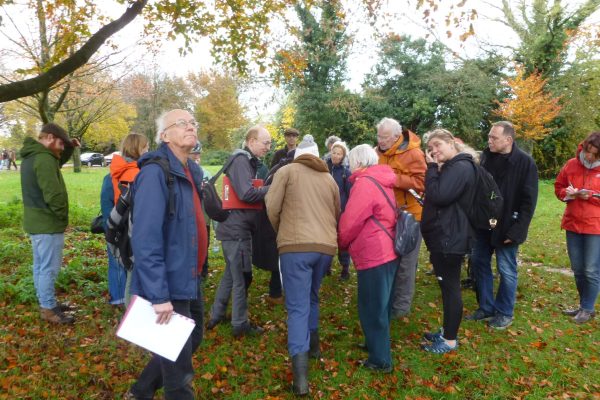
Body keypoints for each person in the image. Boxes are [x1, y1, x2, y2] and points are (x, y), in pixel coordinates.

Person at [125, 109, 207, 400]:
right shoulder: (155, 173)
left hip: (190, 277)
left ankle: (142, 390)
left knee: (193, 337)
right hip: (170, 281)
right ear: (164, 135)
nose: (190, 127)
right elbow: (146, 240)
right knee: (179, 369)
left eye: (192, 123)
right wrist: (159, 296)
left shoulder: (189, 171)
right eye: (181, 123)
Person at [265, 134, 340, 395]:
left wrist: (282, 231)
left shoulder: (286, 171)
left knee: (296, 307)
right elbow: (336, 212)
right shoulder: (329, 178)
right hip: (325, 248)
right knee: (312, 297)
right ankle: (315, 348)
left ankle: (300, 380)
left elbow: (271, 207)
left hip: (295, 247)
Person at [466, 121, 538, 329]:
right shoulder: (486, 158)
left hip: (508, 226)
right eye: (489, 137)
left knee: (506, 269)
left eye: (494, 138)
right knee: (479, 263)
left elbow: (529, 201)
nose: (489, 141)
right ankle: (486, 306)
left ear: (508, 140)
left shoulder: (525, 163)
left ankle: (505, 312)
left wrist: (517, 231)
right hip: (483, 224)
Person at [338, 144, 399, 373]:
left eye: (351, 162)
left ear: (359, 163)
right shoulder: (382, 180)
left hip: (374, 253)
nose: (349, 167)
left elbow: (350, 220)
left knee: (372, 307)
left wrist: (341, 242)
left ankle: (380, 360)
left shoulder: (364, 184)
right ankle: (374, 344)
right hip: (387, 250)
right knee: (381, 306)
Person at [207, 126, 272, 337]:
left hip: (233, 227)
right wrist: (272, 188)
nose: (268, 147)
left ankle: (216, 314)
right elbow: (246, 193)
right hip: (237, 230)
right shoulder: (242, 160)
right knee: (242, 276)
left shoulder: (243, 160)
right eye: (265, 143)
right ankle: (239, 323)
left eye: (270, 143)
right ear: (251, 141)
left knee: (230, 274)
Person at [420, 129, 477, 353]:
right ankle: (447, 331)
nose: (434, 151)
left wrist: (432, 168)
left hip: (450, 238)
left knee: (451, 288)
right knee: (447, 287)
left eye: (437, 145)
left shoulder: (460, 167)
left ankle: (450, 340)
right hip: (447, 236)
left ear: (451, 143)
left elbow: (439, 195)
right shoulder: (456, 166)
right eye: (430, 148)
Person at [20, 122, 80, 324]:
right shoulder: (44, 160)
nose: (62, 148)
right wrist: (63, 219)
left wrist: (70, 146)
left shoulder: (32, 156)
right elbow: (53, 195)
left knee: (40, 266)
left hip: (36, 222)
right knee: (48, 268)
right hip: (47, 223)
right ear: (51, 138)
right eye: (61, 144)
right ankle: (48, 309)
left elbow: (57, 162)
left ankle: (46, 302)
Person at [375, 117, 426, 318]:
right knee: (387, 260)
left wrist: (395, 179)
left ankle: (400, 308)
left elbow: (423, 182)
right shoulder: (377, 151)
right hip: (385, 215)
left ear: (397, 136)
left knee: (406, 264)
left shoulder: (413, 153)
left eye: (385, 137)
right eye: (379, 136)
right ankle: (387, 301)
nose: (381, 140)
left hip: (410, 215)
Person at [554, 131, 600, 324]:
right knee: (578, 269)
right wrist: (569, 193)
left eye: (594, 154)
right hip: (572, 224)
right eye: (588, 151)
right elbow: (558, 187)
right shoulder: (571, 164)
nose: (589, 156)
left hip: (594, 227)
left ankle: (587, 308)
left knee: (591, 270)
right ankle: (584, 306)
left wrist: (589, 195)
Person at [101, 133, 149, 306]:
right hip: (132, 227)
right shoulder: (142, 174)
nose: (148, 151)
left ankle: (118, 298)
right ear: (138, 149)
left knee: (115, 263)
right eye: (146, 147)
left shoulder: (113, 173)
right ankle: (130, 301)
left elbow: (105, 201)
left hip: (114, 224)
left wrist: (110, 226)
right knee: (131, 266)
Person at [326, 140, 352, 280]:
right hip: (325, 211)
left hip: (341, 212)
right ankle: (326, 265)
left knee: (342, 240)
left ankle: (345, 267)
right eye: (334, 152)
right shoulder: (324, 168)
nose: (336, 156)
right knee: (327, 238)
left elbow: (349, 193)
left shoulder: (346, 173)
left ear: (343, 156)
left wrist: (346, 211)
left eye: (339, 153)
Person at [190, 141, 213, 282]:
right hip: (191, 213)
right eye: (194, 153)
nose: (197, 156)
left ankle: (204, 267)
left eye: (198, 153)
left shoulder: (206, 173)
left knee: (205, 239)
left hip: (203, 212)